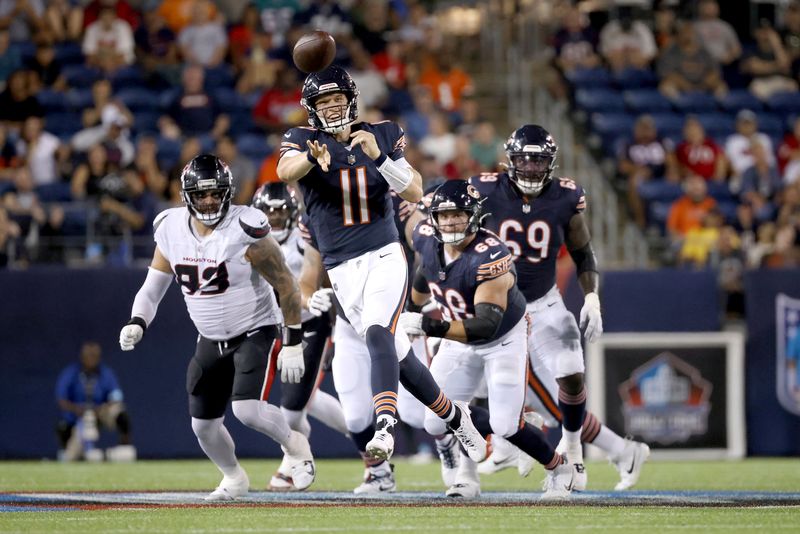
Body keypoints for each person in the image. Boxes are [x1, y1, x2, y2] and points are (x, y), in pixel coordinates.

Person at [276, 65, 484, 462]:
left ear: (352, 99)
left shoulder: (383, 132)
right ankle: (456, 416)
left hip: (384, 255)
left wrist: (380, 157)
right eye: (325, 101)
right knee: (401, 357)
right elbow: (286, 171)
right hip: (340, 268)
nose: (333, 107)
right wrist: (309, 158)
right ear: (312, 108)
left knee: (376, 335)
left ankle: (385, 428)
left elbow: (415, 188)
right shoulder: (301, 139)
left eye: (338, 99)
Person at [118, 155, 316, 500]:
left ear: (227, 191)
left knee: (247, 410)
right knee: (203, 426)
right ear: (186, 196)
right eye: (201, 195)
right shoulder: (170, 228)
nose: (209, 201)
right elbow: (152, 288)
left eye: (215, 193)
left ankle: (296, 445)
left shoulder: (246, 228)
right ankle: (234, 477)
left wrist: (293, 340)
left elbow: (286, 284)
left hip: (255, 327)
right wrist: (138, 321)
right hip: (210, 337)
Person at [470, 125, 650, 491]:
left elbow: (583, 252)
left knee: (567, 373)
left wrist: (592, 297)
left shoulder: (565, 198)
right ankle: (611, 449)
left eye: (539, 162)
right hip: (499, 310)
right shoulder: (485, 191)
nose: (532, 169)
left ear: (551, 164)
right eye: (525, 160)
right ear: (510, 161)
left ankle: (570, 447)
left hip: (544, 304)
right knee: (481, 390)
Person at [399, 180, 580, 499]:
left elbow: (485, 324)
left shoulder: (491, 254)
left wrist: (428, 325)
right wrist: (413, 308)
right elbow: (425, 272)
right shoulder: (426, 238)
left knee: (507, 426)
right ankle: (468, 476)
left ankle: (558, 467)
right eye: (444, 216)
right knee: (435, 422)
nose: (451, 222)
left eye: (458, 214)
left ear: (474, 216)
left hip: (502, 339)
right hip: (458, 339)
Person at [296, 191, 486, 494]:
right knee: (356, 417)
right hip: (348, 323)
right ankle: (380, 473)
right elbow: (308, 276)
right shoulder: (317, 207)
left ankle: (442, 436)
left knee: (418, 416)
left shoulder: (385, 193)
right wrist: (309, 296)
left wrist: (419, 297)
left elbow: (423, 243)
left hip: (389, 313)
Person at [251, 182, 348, 491]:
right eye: (269, 212)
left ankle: (291, 465)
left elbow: (327, 281)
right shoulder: (246, 240)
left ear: (294, 213)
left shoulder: (306, 238)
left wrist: (333, 322)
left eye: (281, 212)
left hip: (308, 325)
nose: (276, 219)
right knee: (304, 399)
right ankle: (363, 432)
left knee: (292, 408)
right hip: (271, 328)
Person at [55, 341, 136, 462]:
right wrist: (78, 410)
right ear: (82, 357)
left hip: (100, 413)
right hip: (79, 417)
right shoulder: (71, 373)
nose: (92, 359)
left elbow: (117, 397)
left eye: (95, 356)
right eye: (89, 355)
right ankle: (78, 452)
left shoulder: (105, 373)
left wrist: (100, 409)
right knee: (70, 456)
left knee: (119, 410)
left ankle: (124, 446)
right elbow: (61, 399)